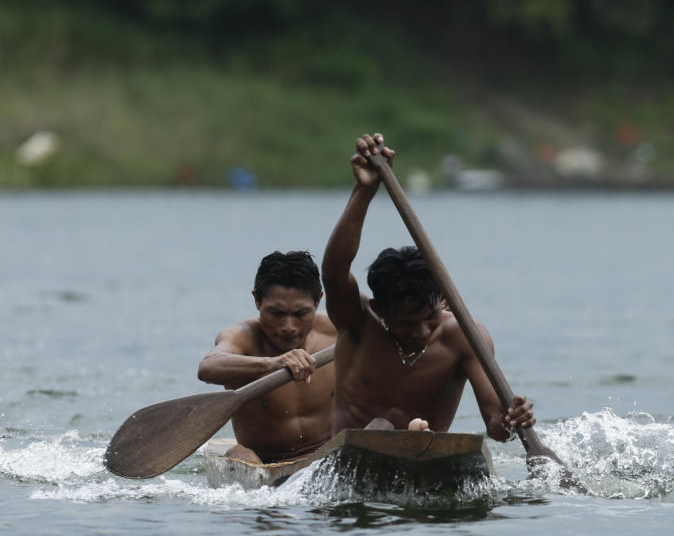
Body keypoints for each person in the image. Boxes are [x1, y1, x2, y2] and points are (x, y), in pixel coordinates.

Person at [321, 133, 535, 440]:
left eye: (430, 319)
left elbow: (496, 428)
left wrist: (512, 417)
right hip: (350, 460)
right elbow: (334, 273)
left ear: (444, 302)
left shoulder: (466, 336)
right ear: (380, 309)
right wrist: (364, 191)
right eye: (407, 323)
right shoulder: (358, 322)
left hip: (424, 458)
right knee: (378, 428)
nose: (421, 332)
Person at [197, 250, 337, 464]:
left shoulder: (336, 330)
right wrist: (273, 363)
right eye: (276, 313)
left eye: (300, 314)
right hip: (265, 463)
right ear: (257, 301)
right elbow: (207, 367)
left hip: (330, 458)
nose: (289, 327)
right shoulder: (242, 337)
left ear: (318, 301)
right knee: (237, 454)